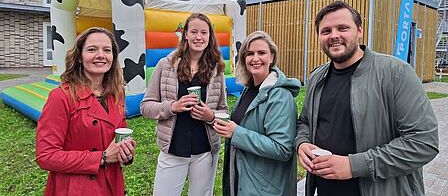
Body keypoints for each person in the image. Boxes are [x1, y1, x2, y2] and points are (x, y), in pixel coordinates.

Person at [295, 1, 439, 196]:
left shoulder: (396, 73)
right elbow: (305, 122)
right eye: (326, 31)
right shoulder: (316, 78)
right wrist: (302, 143)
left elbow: (423, 143)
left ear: (359, 31)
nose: (334, 35)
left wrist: (354, 166)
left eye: (343, 28)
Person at [35, 27, 136, 196]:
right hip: (76, 189)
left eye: (107, 50)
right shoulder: (61, 97)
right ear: (80, 57)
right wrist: (102, 157)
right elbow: (46, 156)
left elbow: (117, 137)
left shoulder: (117, 94)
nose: (101, 55)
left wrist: (126, 152)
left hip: (112, 185)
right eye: (92, 49)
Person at [140, 13, 228, 196]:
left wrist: (210, 116)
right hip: (173, 149)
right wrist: (172, 107)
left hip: (205, 150)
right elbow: (146, 106)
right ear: (185, 34)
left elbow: (223, 111)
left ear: (210, 37)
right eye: (194, 31)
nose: (199, 37)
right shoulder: (165, 65)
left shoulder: (216, 69)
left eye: (204, 33)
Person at [213, 31, 300, 196]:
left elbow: (282, 149)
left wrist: (236, 132)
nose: (255, 58)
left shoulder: (280, 96)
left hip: (264, 188)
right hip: (243, 179)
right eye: (250, 53)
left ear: (272, 57)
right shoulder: (250, 90)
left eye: (262, 53)